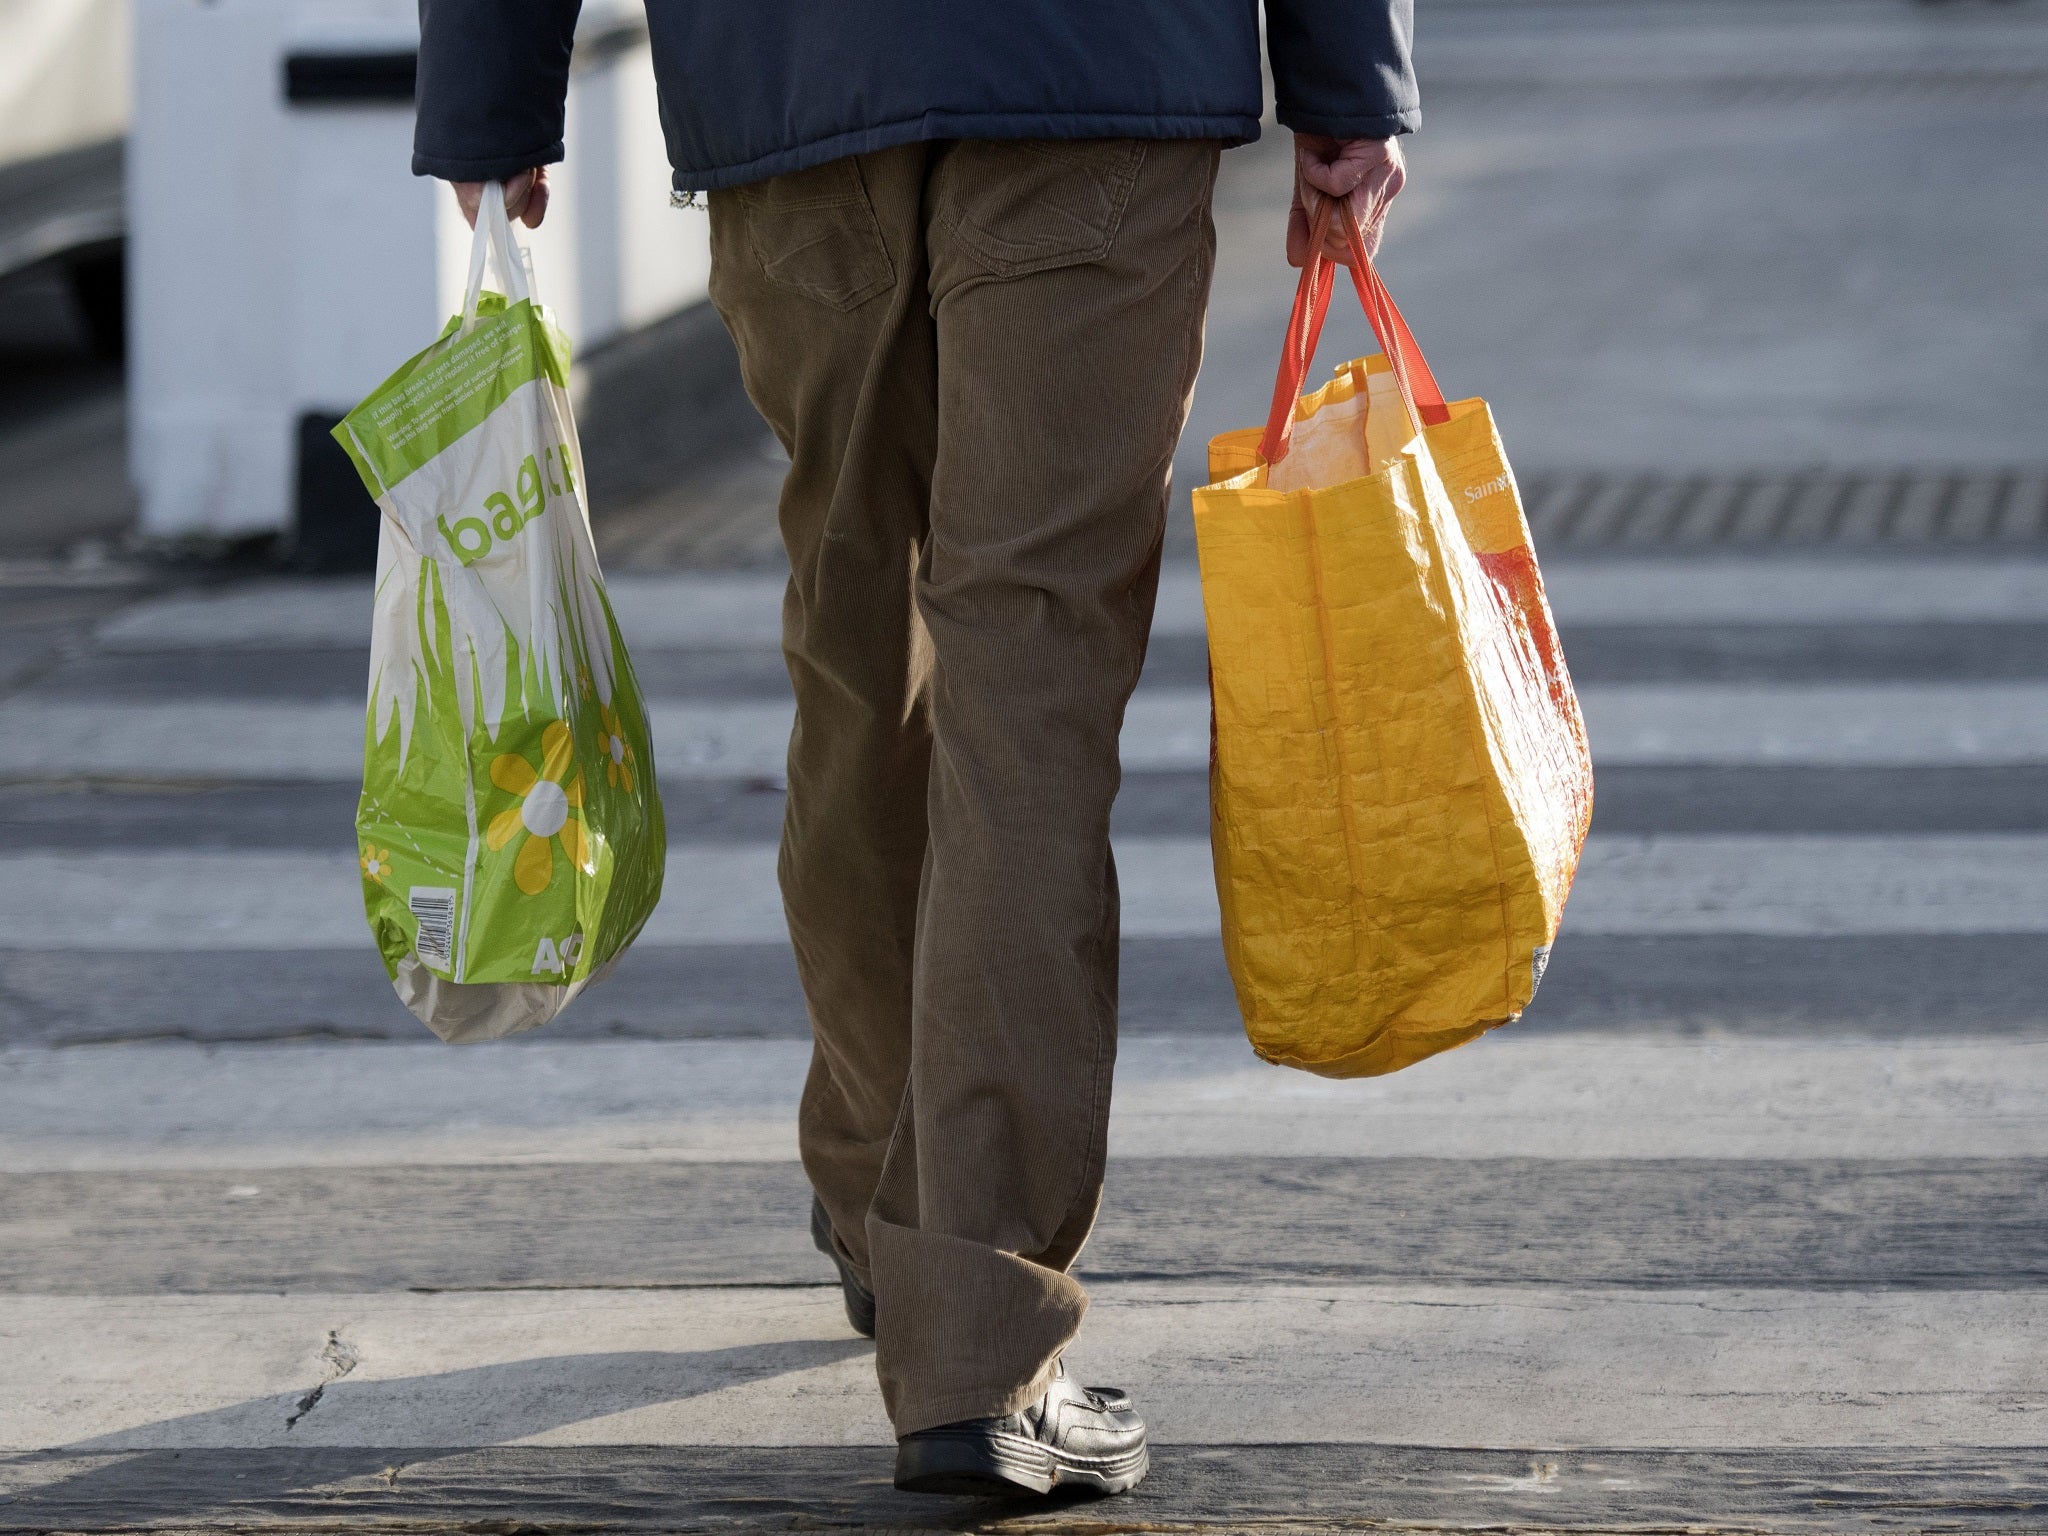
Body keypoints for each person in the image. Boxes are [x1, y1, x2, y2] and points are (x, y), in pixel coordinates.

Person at [412, 0, 1414, 1498]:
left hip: (792, 82)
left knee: (857, 645)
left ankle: (886, 1190)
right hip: (1094, 76)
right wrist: (1349, 72)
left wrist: (490, 89)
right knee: (1030, 687)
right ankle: (975, 1337)